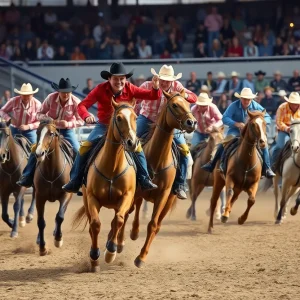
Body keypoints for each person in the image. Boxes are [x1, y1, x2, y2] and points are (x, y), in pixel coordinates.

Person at [62, 62, 162, 193]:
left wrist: (155, 88)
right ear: (109, 79)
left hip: (125, 129)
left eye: (122, 79)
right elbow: (82, 106)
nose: (119, 81)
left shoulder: (130, 88)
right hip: (103, 126)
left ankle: (144, 179)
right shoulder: (100, 89)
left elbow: (153, 96)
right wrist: (86, 116)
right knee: (84, 148)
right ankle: (75, 180)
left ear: (126, 79)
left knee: (137, 148)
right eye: (115, 78)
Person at [136, 65, 197, 199]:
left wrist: (184, 95)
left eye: (167, 80)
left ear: (172, 81)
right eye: (162, 80)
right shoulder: (147, 85)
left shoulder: (177, 86)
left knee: (184, 152)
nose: (164, 83)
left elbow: (194, 98)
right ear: (158, 78)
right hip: (146, 119)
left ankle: (180, 184)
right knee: (131, 144)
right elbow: (135, 99)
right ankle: (128, 178)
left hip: (168, 125)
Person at [17, 78, 84, 188]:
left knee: (78, 151)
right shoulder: (50, 98)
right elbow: (38, 114)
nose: (66, 95)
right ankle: (27, 176)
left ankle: (79, 180)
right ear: (59, 92)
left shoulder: (76, 102)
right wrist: (47, 119)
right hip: (49, 130)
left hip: (67, 131)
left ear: (71, 92)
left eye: (68, 92)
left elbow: (81, 120)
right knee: (36, 148)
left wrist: (67, 124)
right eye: (63, 92)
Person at [202, 87, 275, 178]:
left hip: (252, 133)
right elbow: (225, 118)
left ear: (251, 99)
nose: (246, 101)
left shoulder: (256, 106)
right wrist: (236, 124)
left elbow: (267, 117)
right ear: (240, 98)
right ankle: (214, 164)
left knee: (264, 144)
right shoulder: (234, 105)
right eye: (244, 99)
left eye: (248, 99)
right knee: (224, 143)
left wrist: (260, 121)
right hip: (235, 130)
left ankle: (267, 168)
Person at [272, 92, 300, 165]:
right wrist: (287, 129)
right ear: (289, 102)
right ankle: (273, 167)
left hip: (298, 131)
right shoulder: (282, 107)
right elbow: (279, 122)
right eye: (293, 103)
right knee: (280, 147)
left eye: (296, 103)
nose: (295, 105)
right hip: (284, 131)